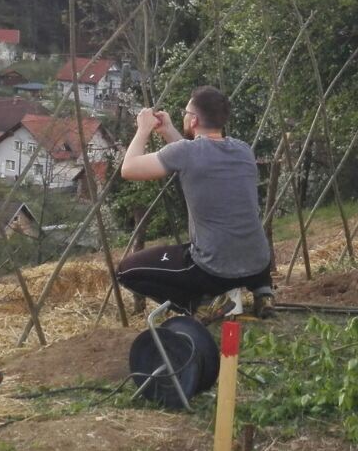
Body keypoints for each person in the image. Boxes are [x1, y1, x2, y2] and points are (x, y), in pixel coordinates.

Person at [117, 85, 276, 318]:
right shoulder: (243, 150)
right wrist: (168, 130)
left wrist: (143, 130)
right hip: (258, 263)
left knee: (126, 270)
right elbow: (196, 157)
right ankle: (264, 293)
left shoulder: (186, 153)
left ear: (193, 120)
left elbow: (128, 169)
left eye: (186, 112)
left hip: (215, 270)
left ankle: (199, 307)